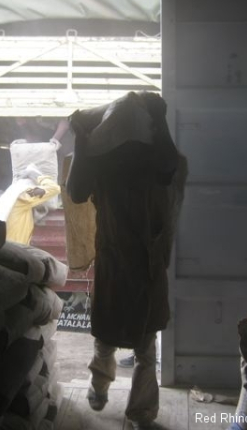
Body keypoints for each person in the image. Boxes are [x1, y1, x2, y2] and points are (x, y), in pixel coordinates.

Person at [66, 92, 187, 430]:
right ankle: (101, 386)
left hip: (145, 259)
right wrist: (81, 139)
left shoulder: (152, 157)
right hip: (117, 258)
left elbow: (168, 168)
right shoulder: (106, 157)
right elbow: (76, 191)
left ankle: (139, 411)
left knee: (144, 343)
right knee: (107, 333)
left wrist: (158, 119)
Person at [0, 163, 60, 245]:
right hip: (15, 249)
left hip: (2, 247)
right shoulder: (26, 195)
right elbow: (54, 188)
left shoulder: (11, 195)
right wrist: (36, 175)